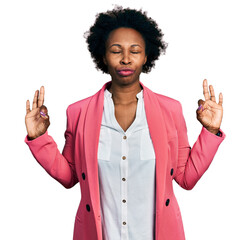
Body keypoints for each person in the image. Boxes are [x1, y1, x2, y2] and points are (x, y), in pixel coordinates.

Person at [24, 6, 225, 240]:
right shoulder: (79, 112)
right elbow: (69, 176)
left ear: (147, 55)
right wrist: (39, 139)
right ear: (103, 56)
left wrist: (210, 130)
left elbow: (186, 178)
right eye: (116, 50)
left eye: (135, 50)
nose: (126, 59)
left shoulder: (170, 110)